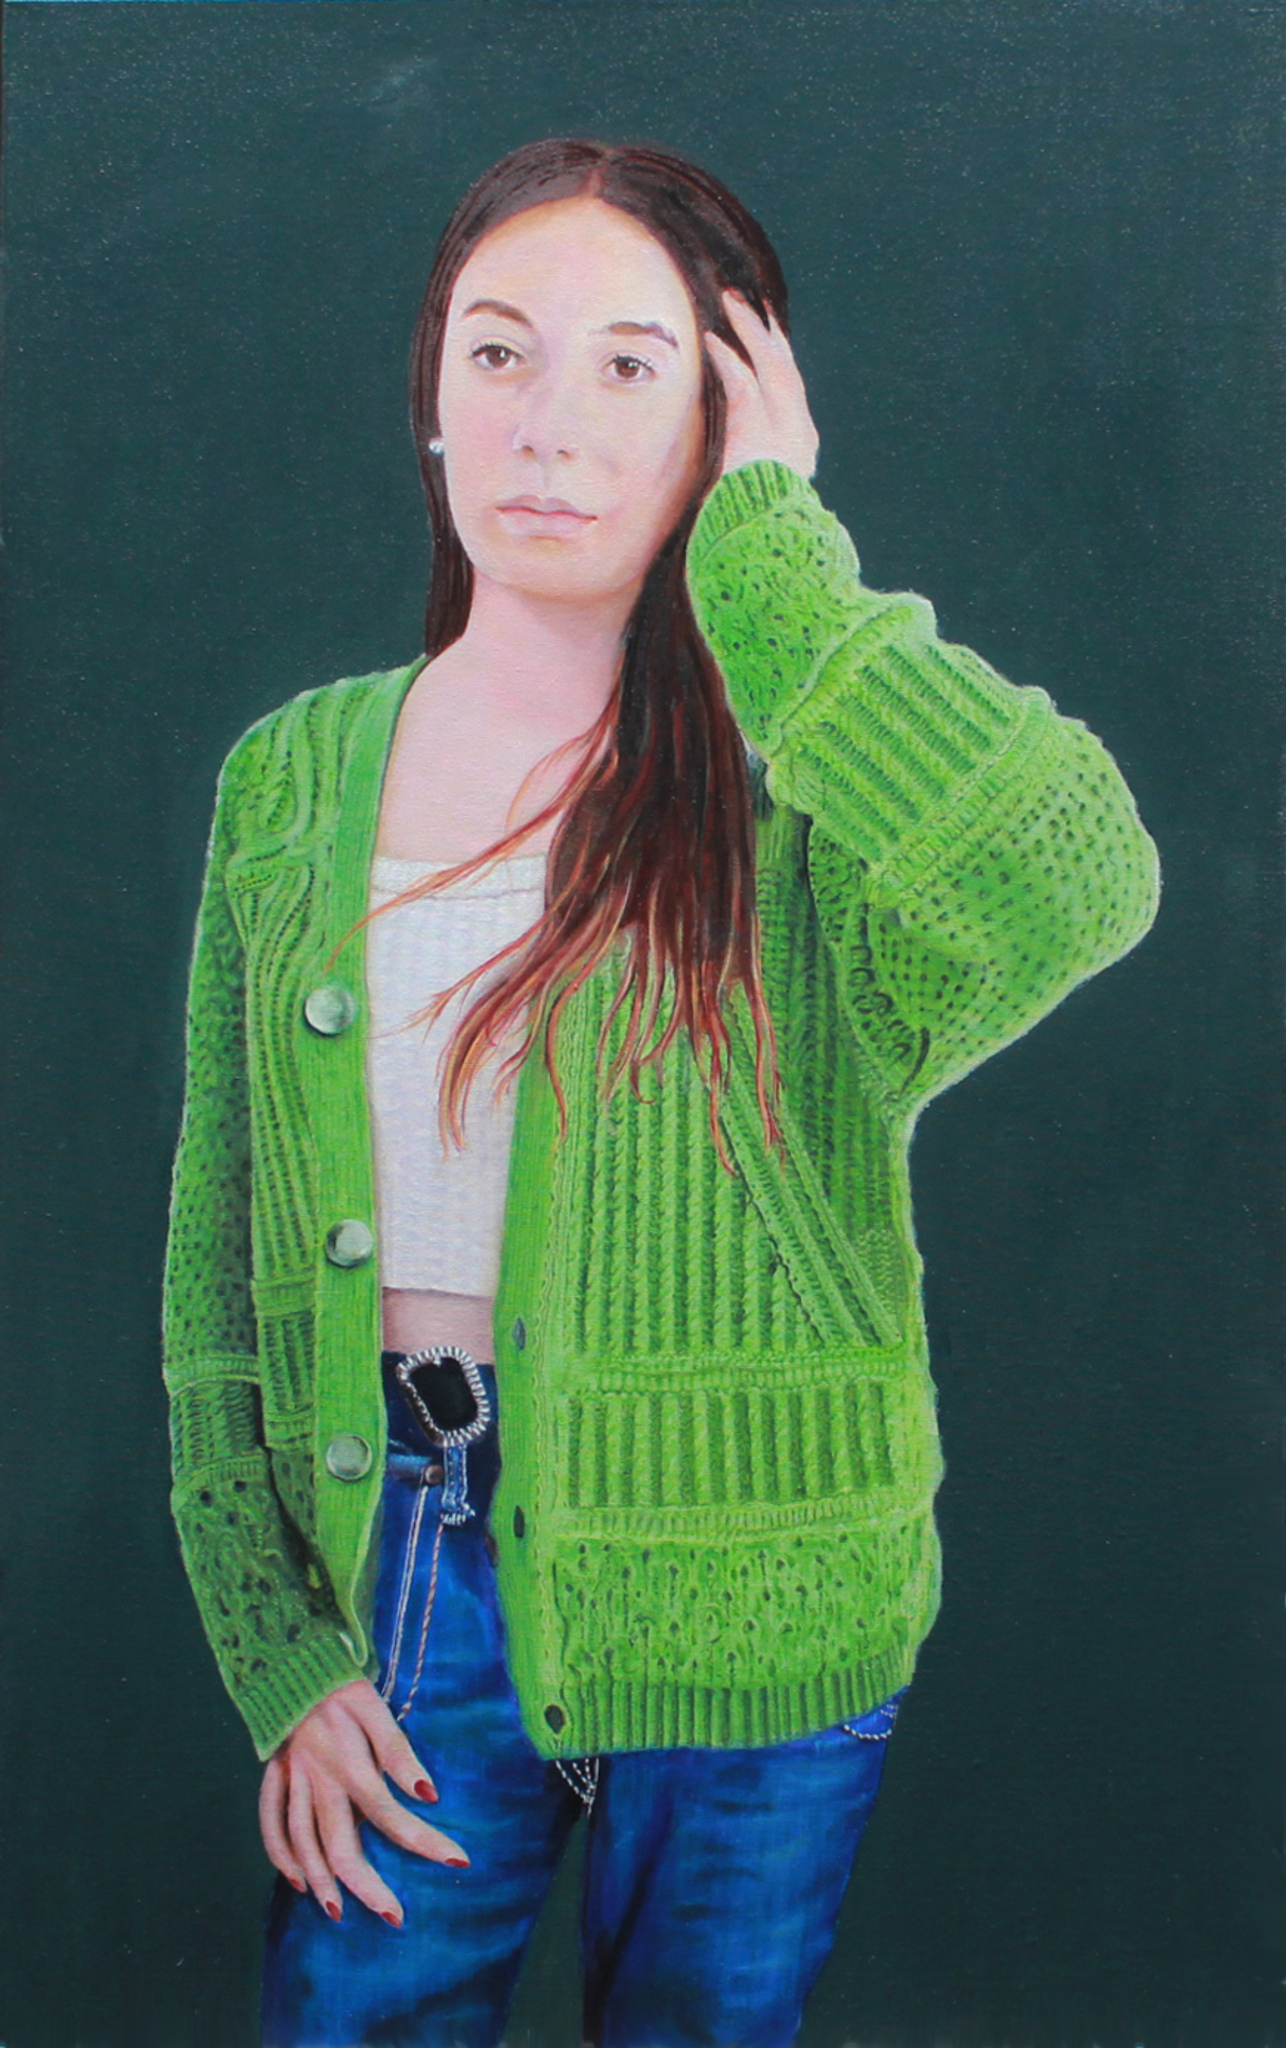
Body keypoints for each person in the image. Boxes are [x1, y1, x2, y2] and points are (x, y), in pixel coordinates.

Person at [162, 139, 1160, 2048]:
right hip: (401, 1566)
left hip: (766, 1582)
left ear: (723, 420)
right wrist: (278, 1647)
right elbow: (220, 1255)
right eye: (497, 353)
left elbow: (1077, 881)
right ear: (431, 397)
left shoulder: (815, 795)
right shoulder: (288, 777)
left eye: (631, 367)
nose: (547, 425)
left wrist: (779, 568)